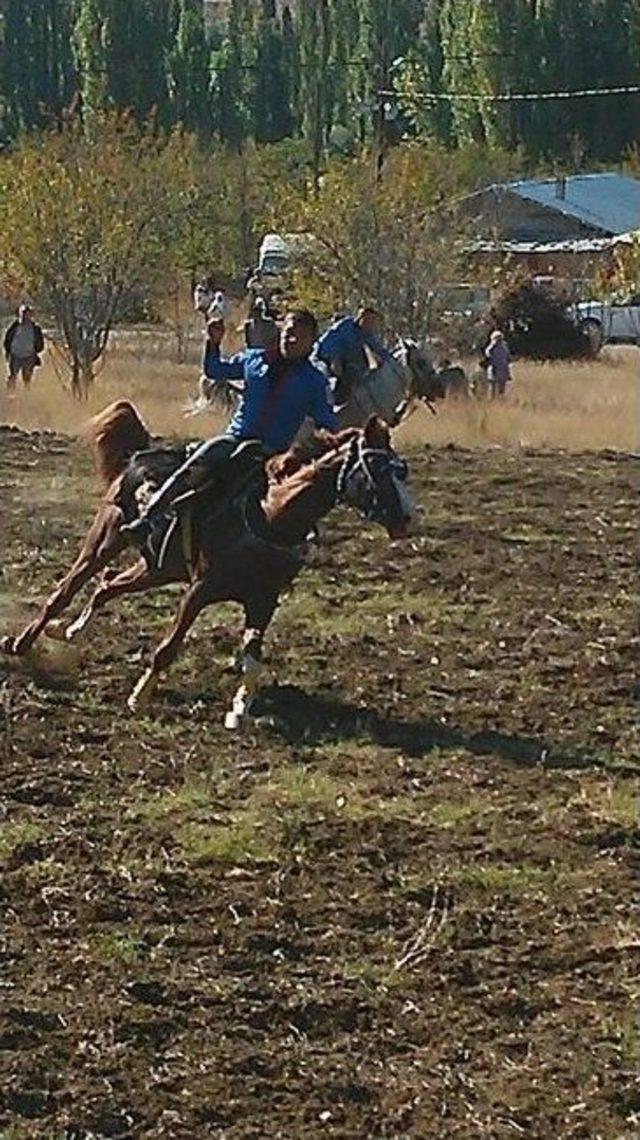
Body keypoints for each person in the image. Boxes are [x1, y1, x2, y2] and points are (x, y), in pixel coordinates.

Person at [123, 308, 336, 550]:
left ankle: (300, 544)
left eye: (301, 336)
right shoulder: (254, 359)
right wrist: (212, 343)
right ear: (280, 332)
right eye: (289, 333)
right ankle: (150, 518)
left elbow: (326, 423)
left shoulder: (315, 381)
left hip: (272, 452)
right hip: (234, 440)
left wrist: (311, 450)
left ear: (312, 342)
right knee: (196, 462)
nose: (293, 340)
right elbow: (215, 370)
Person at [315, 307, 393, 403]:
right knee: (322, 378)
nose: (371, 324)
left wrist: (390, 362)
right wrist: (334, 359)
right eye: (369, 320)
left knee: (358, 375)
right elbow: (331, 342)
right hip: (322, 359)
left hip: (345, 366)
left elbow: (381, 351)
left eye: (373, 321)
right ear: (360, 318)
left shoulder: (367, 335)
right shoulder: (345, 326)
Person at [4, 304, 45, 392]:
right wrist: (8, 351)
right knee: (13, 376)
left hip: (29, 355)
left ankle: (27, 395)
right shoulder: (15, 326)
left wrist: (36, 351)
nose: (27, 316)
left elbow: (40, 343)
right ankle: (10, 394)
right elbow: (8, 339)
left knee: (27, 377)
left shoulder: (35, 328)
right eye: (25, 314)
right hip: (16, 355)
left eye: (29, 314)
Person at [485, 329, 512, 397]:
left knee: (501, 389)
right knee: (493, 389)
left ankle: (500, 402)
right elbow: (487, 354)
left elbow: (508, 358)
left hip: (502, 370)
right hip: (494, 370)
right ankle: (493, 402)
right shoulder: (492, 347)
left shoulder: (504, 346)